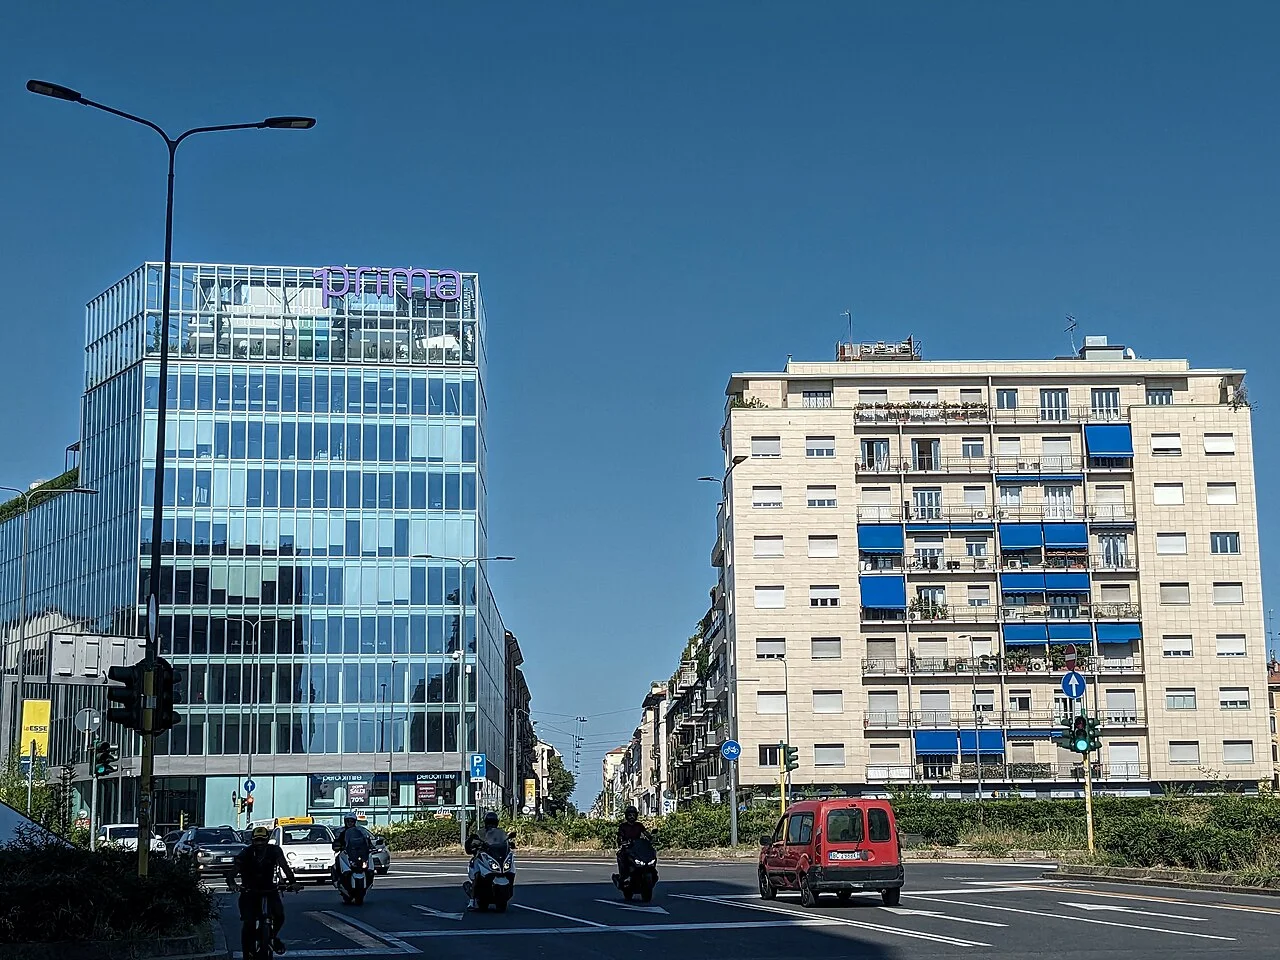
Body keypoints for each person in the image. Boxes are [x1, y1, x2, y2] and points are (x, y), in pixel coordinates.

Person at [232, 825, 298, 956]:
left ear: (267, 840)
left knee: (279, 915)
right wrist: (232, 883)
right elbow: (234, 870)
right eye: (257, 840)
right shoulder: (246, 853)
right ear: (252, 841)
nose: (260, 843)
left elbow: (284, 866)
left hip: (270, 890)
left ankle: (272, 936)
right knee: (249, 921)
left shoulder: (275, 850)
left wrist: (293, 882)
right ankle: (247, 950)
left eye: (262, 840)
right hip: (250, 891)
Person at [465, 811, 509, 911]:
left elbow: (504, 842)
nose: (491, 824)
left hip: (496, 856)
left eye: (493, 822)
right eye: (490, 822)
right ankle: (472, 901)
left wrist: (509, 844)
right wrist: (475, 844)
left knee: (508, 870)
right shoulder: (481, 832)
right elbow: (474, 843)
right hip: (482, 856)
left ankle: (505, 893)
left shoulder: (501, 833)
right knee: (477, 875)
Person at [331, 813, 374, 898]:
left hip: (358, 854)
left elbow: (366, 841)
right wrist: (338, 845)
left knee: (369, 867)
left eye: (351, 821)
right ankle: (338, 879)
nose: (350, 823)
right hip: (347, 853)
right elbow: (337, 842)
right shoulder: (342, 833)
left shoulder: (360, 832)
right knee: (337, 860)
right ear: (345, 822)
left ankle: (369, 880)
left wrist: (370, 846)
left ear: (354, 822)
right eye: (348, 821)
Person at [615, 806, 651, 879]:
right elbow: (620, 836)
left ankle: (651, 870)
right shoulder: (623, 826)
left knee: (649, 855)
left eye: (633, 815)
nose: (632, 817)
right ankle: (624, 876)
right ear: (626, 816)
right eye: (630, 815)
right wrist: (622, 841)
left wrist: (651, 837)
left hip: (638, 847)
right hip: (627, 848)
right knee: (622, 856)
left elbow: (645, 833)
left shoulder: (639, 825)